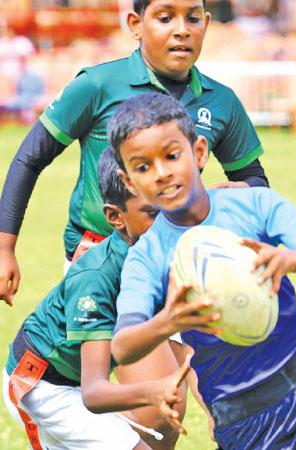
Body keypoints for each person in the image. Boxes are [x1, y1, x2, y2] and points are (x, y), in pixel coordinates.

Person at [108, 92, 296, 449]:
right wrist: (169, 321)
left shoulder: (255, 203)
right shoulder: (146, 257)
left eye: (171, 155)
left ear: (198, 152)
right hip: (241, 421)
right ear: (130, 182)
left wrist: (291, 259)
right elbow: (122, 347)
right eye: (143, 166)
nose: (162, 173)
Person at [0, 0, 270, 306]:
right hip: (96, 262)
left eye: (192, 19)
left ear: (206, 24)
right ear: (135, 25)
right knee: (101, 354)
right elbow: (30, 158)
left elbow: (254, 179)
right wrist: (4, 249)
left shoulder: (221, 101)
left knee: (179, 354)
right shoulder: (97, 85)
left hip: (175, 265)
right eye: (165, 18)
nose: (181, 30)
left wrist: (228, 194)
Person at [2, 148, 191, 450]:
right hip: (40, 384)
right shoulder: (95, 279)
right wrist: (151, 391)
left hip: (71, 380)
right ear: (115, 216)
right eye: (153, 212)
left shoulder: (159, 254)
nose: (169, 221)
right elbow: (94, 392)